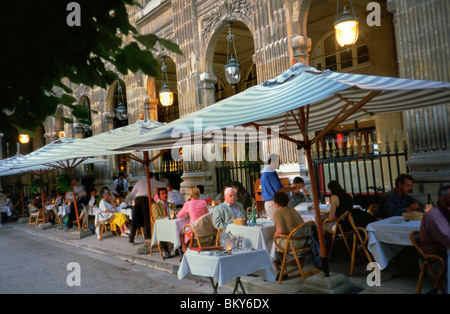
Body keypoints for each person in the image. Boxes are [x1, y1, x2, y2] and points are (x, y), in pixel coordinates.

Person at [272, 191, 305, 278]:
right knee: (277, 241)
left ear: (276, 203)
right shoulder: (292, 209)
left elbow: (280, 230)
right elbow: (302, 224)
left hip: (293, 242)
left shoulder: (278, 213)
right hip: (303, 240)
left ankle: (283, 269)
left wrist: (274, 236)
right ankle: (286, 267)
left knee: (274, 243)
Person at [260, 154, 297, 219]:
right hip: (273, 203)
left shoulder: (265, 172)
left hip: (269, 203)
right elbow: (280, 189)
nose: (280, 163)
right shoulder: (271, 173)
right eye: (278, 161)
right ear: (272, 162)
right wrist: (295, 187)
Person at [176, 186, 209, 253]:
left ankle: (185, 253)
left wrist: (178, 212)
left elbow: (179, 216)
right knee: (187, 231)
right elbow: (207, 213)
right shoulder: (203, 202)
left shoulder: (188, 204)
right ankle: (191, 248)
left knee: (181, 234)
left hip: (194, 229)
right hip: (203, 228)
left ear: (190, 194)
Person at [419, 186, 450, 256]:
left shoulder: (445, 211)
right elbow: (448, 239)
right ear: (442, 201)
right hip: (436, 251)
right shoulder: (434, 215)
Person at [152, 187, 177, 258]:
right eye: (162, 194)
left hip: (171, 225)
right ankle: (166, 251)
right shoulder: (155, 206)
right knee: (161, 231)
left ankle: (177, 249)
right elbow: (156, 217)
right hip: (162, 226)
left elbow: (176, 215)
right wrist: (167, 217)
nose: (165, 195)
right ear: (159, 196)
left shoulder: (172, 205)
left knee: (179, 229)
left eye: (166, 193)